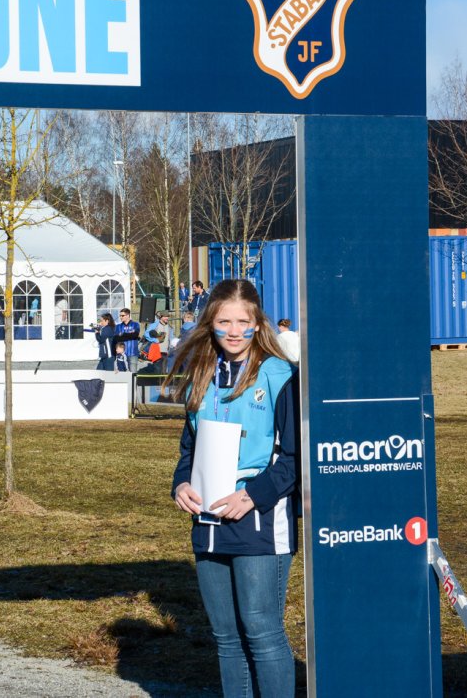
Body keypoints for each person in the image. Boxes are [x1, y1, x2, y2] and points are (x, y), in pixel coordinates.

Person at [169, 279, 299, 698]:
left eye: (243, 321)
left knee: (262, 631)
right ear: (210, 322)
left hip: (259, 520)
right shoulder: (200, 373)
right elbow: (189, 448)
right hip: (208, 519)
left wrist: (252, 496)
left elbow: (295, 458)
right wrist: (181, 484)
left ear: (258, 323)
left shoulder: (280, 374)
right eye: (224, 321)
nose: (234, 331)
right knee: (226, 637)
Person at [113, 308, 141, 373]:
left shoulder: (135, 324)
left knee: (133, 373)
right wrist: (130, 334)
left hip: (133, 353)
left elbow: (135, 335)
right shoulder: (118, 326)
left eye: (122, 315)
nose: (121, 317)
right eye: (120, 315)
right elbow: (116, 338)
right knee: (122, 374)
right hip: (121, 354)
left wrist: (123, 334)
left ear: (128, 315)